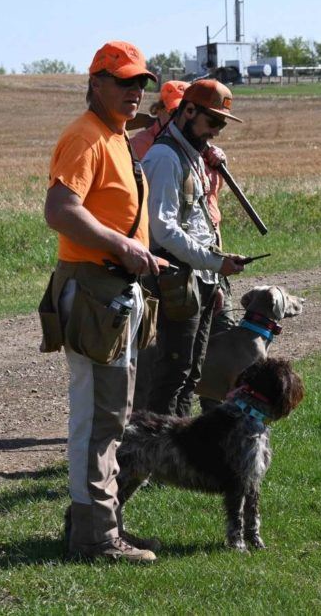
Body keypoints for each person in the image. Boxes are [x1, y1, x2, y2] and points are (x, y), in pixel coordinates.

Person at [43, 40, 161, 562]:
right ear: (96, 82)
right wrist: (122, 245)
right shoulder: (86, 137)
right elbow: (60, 211)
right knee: (95, 419)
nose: (135, 91)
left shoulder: (113, 135)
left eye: (141, 83)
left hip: (110, 290)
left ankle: (102, 527)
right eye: (124, 81)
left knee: (112, 416)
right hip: (93, 289)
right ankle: (94, 538)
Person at [141, 79, 245, 417]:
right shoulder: (165, 157)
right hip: (177, 277)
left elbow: (199, 220)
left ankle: (177, 451)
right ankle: (154, 451)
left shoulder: (194, 156)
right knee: (173, 373)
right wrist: (214, 262)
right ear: (188, 111)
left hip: (197, 278)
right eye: (212, 121)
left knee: (190, 375)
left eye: (222, 124)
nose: (216, 131)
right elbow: (163, 230)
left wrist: (212, 273)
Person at [129, 80, 188, 161]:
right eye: (175, 112)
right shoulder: (140, 144)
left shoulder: (194, 142)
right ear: (159, 110)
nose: (181, 119)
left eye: (188, 113)